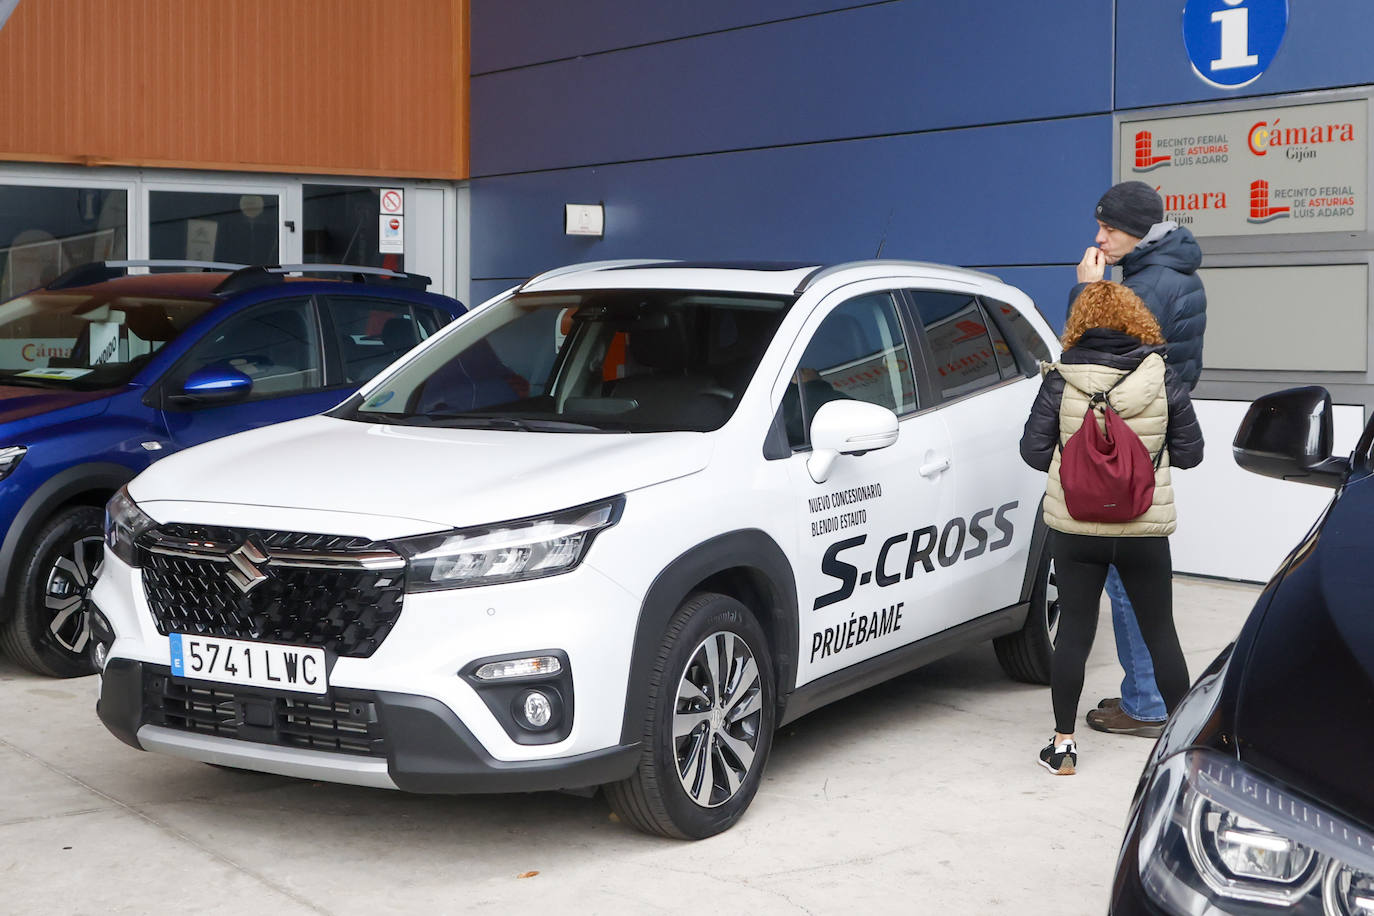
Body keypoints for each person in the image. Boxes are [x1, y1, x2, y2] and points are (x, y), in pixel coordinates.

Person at [1020, 281, 1204, 774]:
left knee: (1075, 633)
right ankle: (1185, 753)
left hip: (1075, 528)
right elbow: (1191, 453)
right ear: (1138, 321)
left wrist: (1077, 454)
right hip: (1143, 528)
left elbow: (1033, 452)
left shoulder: (1060, 380)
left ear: (1079, 326)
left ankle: (1062, 747)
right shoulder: (1161, 378)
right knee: (1161, 633)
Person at [1072, 180, 1207, 738]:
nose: (1099, 237)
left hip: (1123, 443)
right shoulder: (1177, 273)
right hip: (1148, 437)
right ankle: (1147, 693)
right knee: (1140, 573)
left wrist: (1089, 292)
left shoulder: (1147, 284)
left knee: (1125, 577)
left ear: (1139, 231)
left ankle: (1148, 702)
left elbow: (1096, 354)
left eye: (1109, 229)